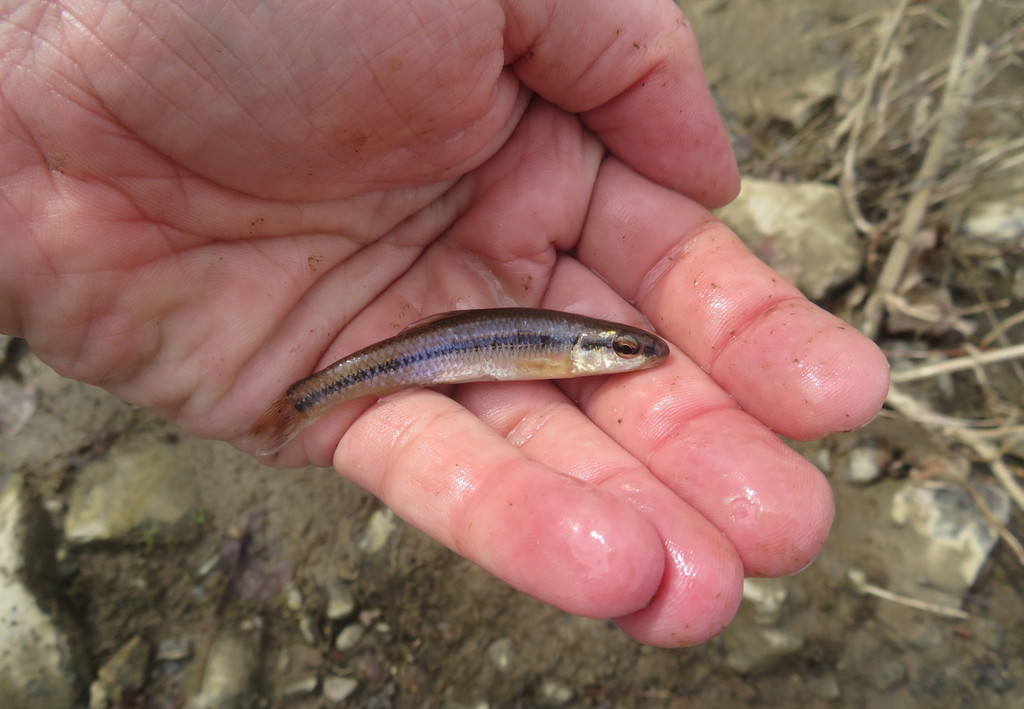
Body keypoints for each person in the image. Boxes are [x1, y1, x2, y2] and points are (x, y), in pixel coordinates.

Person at [0, 0, 888, 647]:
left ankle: (310, 399)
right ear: (589, 350)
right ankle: (306, 400)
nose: (631, 355)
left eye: (626, 349)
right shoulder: (562, 349)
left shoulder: (560, 347)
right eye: (621, 347)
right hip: (401, 353)